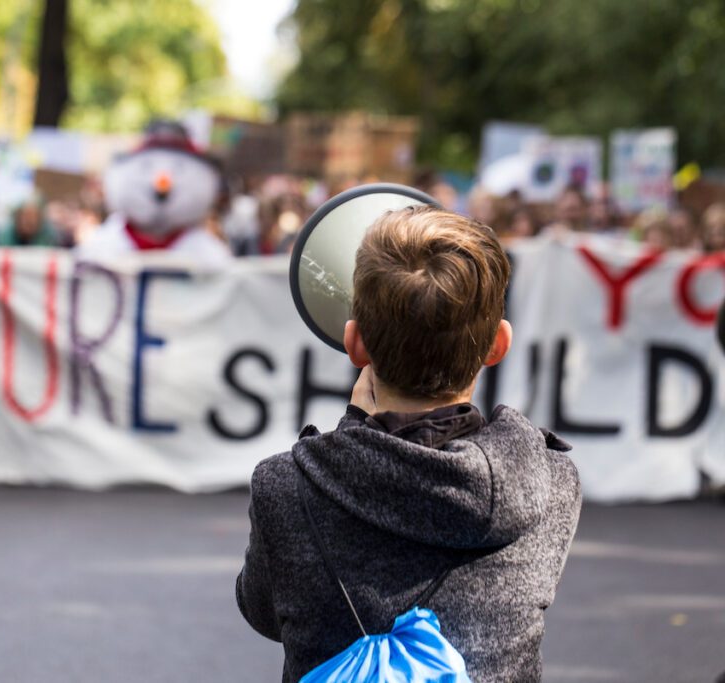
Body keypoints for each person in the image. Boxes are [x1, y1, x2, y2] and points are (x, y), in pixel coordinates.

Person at [236, 206, 582, 682]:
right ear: (497, 345)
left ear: (355, 345)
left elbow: (264, 612)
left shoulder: (284, 487)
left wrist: (353, 428)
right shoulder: (552, 481)